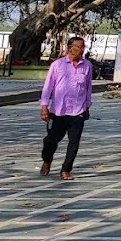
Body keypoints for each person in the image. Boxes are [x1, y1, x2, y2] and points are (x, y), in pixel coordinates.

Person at [38, 36, 93, 180]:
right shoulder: (57, 65)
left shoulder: (87, 66)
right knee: (51, 140)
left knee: (74, 141)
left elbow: (88, 88)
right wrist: (44, 107)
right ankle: (47, 160)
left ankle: (66, 169)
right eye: (78, 47)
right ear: (70, 47)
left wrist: (87, 106)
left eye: (83, 47)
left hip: (78, 110)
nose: (81, 50)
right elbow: (48, 87)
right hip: (59, 111)